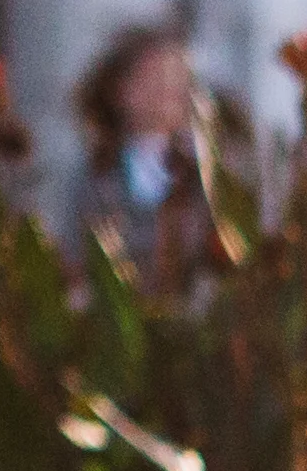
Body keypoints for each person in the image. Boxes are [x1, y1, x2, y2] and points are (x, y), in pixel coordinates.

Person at [71, 23, 212, 292]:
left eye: (179, 78)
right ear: (120, 92)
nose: (171, 91)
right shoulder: (95, 173)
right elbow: (78, 258)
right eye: (157, 78)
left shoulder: (207, 169)